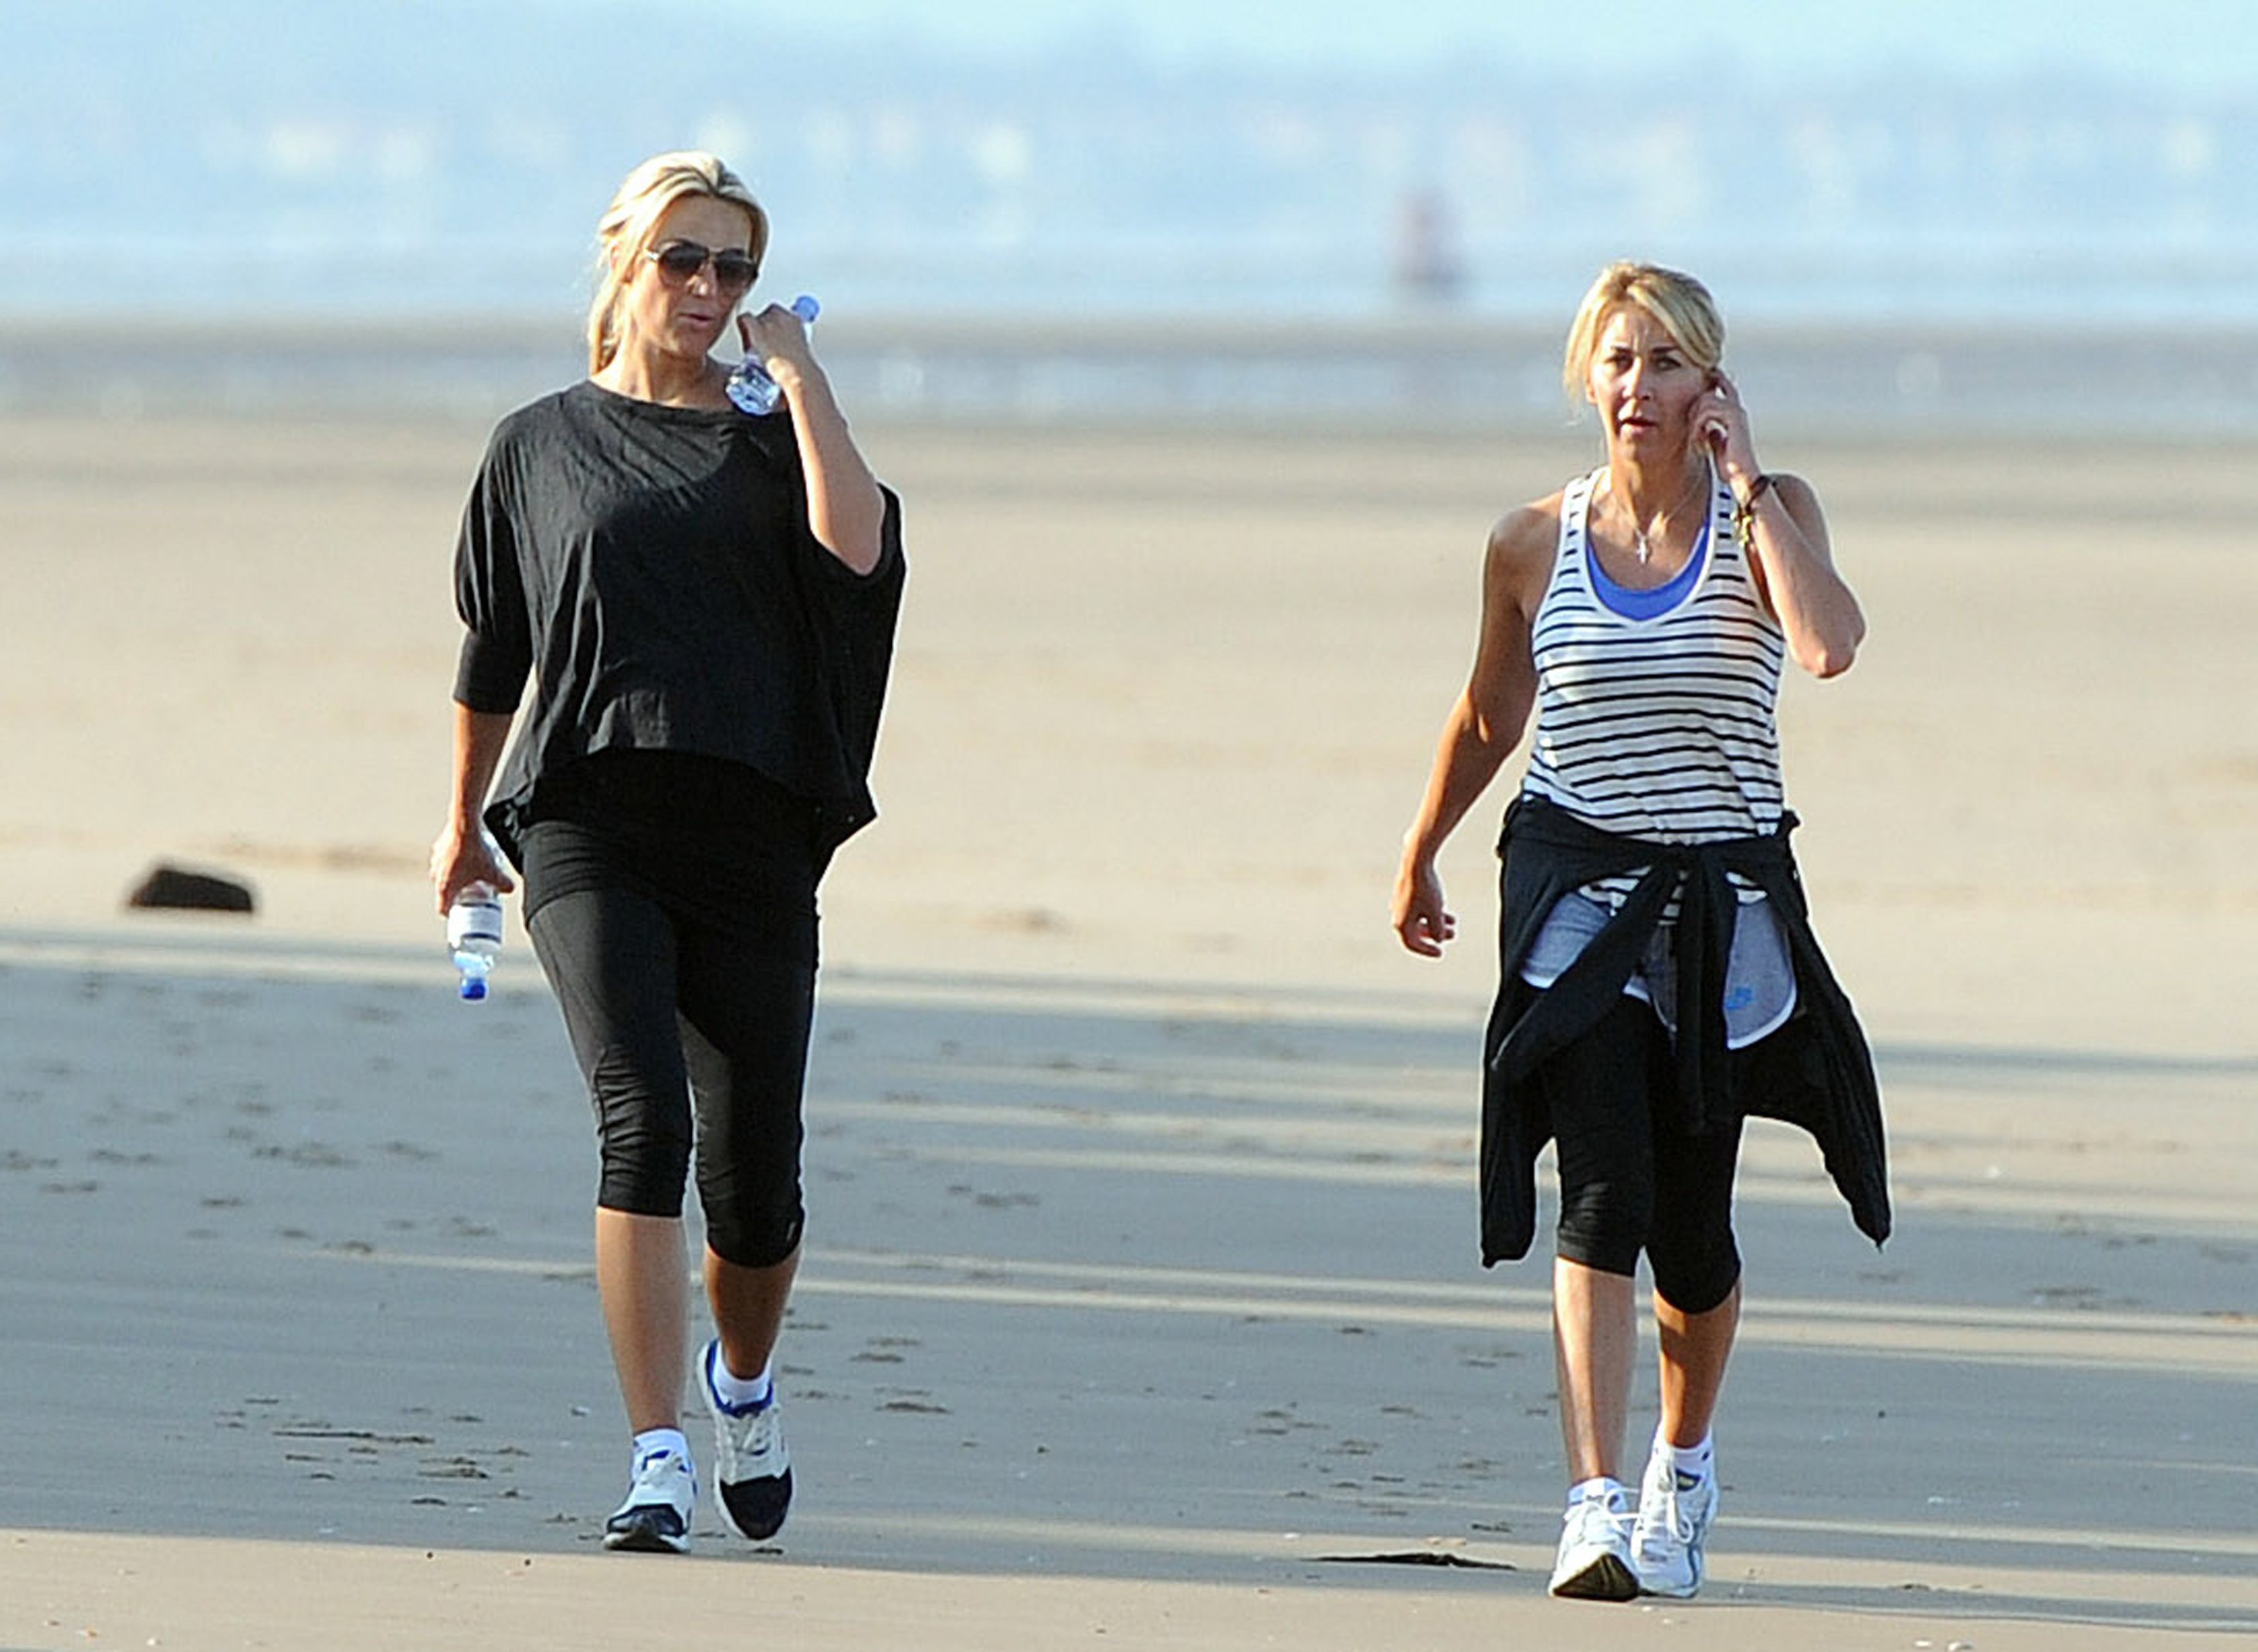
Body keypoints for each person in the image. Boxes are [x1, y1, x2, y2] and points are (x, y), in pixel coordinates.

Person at [429, 151, 904, 1554]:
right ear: (624, 265)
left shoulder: (775, 437)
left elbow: (859, 551)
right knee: (642, 1120)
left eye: (736, 269)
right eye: (684, 261)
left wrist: (800, 370)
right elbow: (493, 651)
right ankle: (655, 1456)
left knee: (757, 1189)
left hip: (754, 830)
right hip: (586, 822)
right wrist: (462, 823)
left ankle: (742, 1387)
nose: (709, 290)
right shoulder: (539, 443)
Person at [1390, 262, 1887, 1602]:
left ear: (1711, 384)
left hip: (1720, 908)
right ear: (1585, 382)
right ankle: (1594, 1505)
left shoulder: (1768, 516)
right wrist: (1423, 845)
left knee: (1697, 1234)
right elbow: (1493, 714)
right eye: (1617, 362)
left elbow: (1830, 646)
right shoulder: (1528, 542)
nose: (1638, 386)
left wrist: (1750, 488)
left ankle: (1685, 1458)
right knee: (1600, 1186)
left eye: (1666, 362)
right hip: (1574, 895)